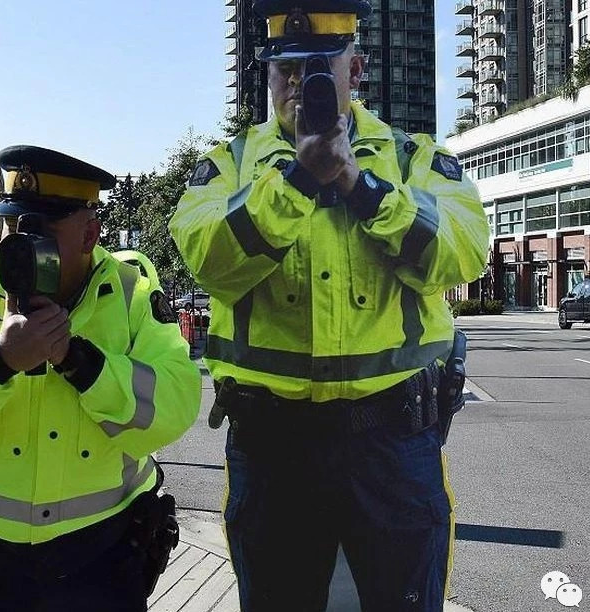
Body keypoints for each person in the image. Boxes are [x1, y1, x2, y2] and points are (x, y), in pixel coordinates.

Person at [169, 1, 491, 610]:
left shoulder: (413, 160)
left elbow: (464, 254)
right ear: (265, 74)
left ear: (356, 70)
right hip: (272, 447)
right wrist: (295, 185)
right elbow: (208, 259)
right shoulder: (227, 167)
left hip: (393, 446)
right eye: (283, 67)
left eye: (318, 65)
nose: (298, 81)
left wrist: (360, 188)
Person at [0, 145, 201, 611]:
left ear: (89, 233)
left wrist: (81, 363)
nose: (20, 242)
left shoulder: (132, 291)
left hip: (100, 560)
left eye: (41, 229)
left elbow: (175, 405)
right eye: (14, 225)